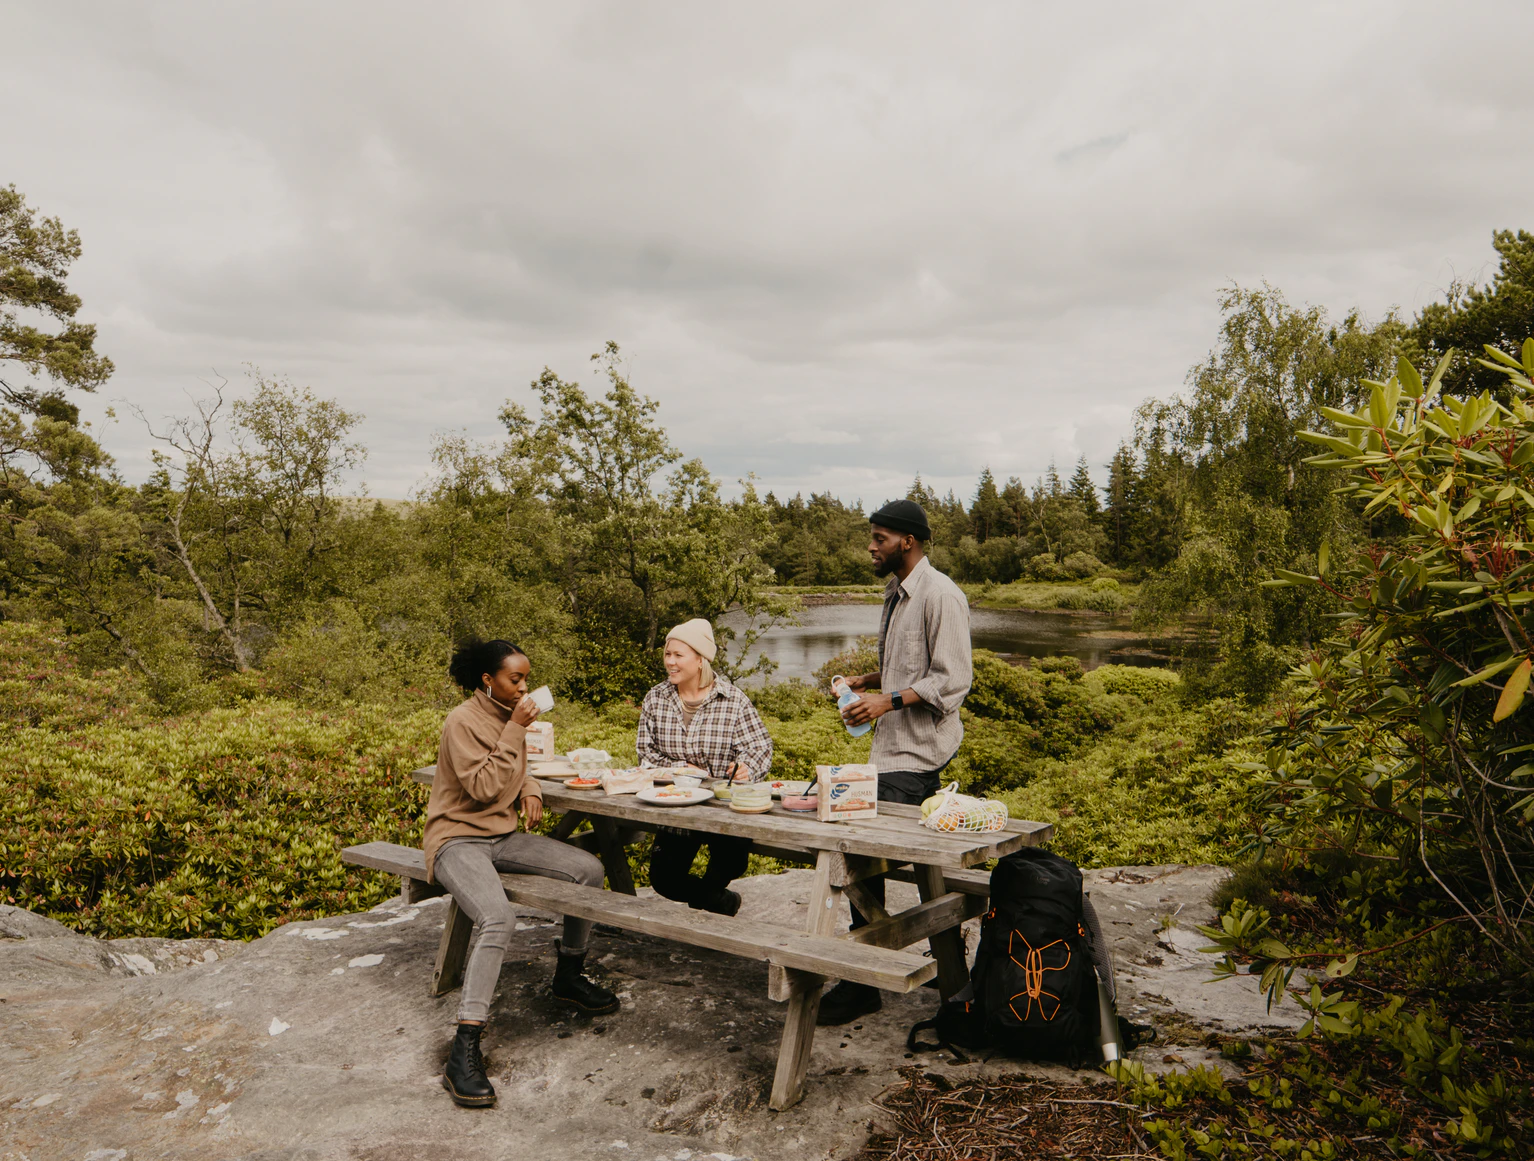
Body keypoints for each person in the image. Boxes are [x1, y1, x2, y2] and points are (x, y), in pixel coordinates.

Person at [426, 637, 619, 1109]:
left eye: (526, 678)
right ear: (488, 680)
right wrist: (516, 730)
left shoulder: (505, 718)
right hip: (456, 840)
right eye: (516, 679)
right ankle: (465, 1046)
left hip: (501, 837)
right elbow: (484, 784)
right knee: (498, 918)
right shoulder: (463, 721)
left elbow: (513, 770)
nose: (524, 687)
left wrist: (530, 785)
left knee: (588, 870)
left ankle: (569, 976)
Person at [819, 498, 973, 1025]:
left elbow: (951, 680)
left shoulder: (941, 595)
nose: (871, 545)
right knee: (882, 860)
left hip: (916, 752)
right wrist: (869, 682)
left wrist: (888, 700)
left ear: (908, 541)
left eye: (880, 537)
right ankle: (953, 973)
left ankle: (863, 979)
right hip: (889, 749)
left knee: (860, 857)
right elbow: (910, 668)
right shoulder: (896, 594)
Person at [637, 618, 774, 917]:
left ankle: (714, 904)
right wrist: (680, 768)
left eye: (678, 655)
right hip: (677, 807)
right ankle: (722, 902)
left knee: (732, 863)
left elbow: (760, 748)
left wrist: (746, 768)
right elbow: (645, 755)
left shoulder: (732, 700)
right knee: (663, 880)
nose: (670, 662)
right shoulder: (655, 698)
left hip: (724, 808)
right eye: (667, 654)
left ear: (700, 660)